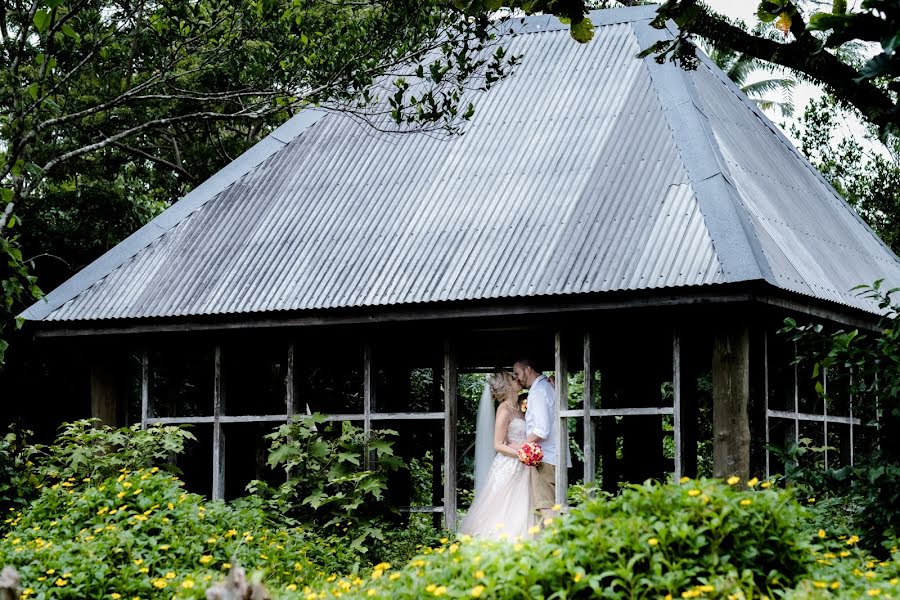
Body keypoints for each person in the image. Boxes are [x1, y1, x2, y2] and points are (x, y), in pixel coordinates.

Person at [459, 371, 538, 539]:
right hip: (509, 464)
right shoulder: (504, 410)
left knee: (522, 505)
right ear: (506, 387)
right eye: (512, 378)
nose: (517, 378)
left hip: (525, 464)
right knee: (503, 508)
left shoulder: (520, 405)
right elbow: (498, 445)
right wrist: (522, 453)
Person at [512, 357, 565, 521]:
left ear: (528, 370)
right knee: (553, 507)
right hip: (552, 456)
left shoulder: (538, 391)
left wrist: (521, 447)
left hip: (545, 459)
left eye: (517, 373)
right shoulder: (547, 387)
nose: (517, 378)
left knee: (546, 507)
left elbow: (541, 430)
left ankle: (554, 545)